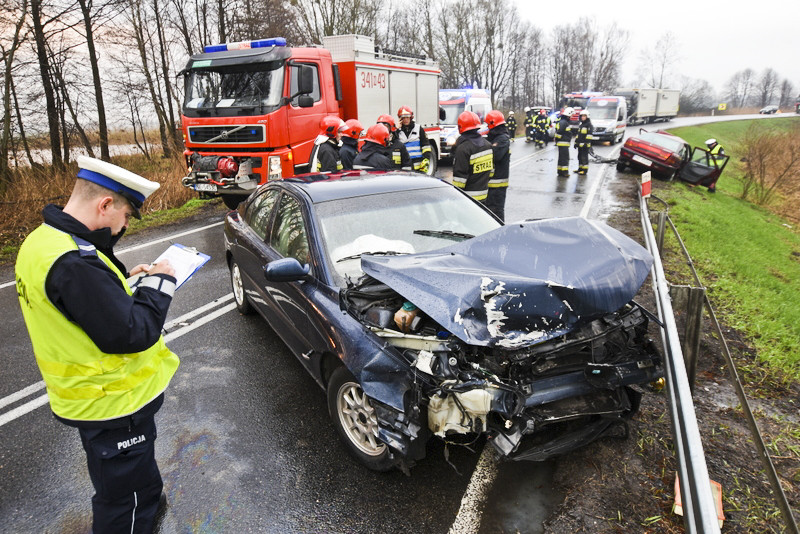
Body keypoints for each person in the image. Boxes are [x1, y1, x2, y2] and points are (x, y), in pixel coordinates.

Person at [15, 156, 179, 534]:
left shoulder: (43, 240)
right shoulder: (74, 263)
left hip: (92, 401)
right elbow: (133, 333)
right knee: (124, 503)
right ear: (104, 205)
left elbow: (82, 303)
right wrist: (160, 284)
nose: (124, 226)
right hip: (113, 404)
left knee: (131, 482)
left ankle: (149, 504)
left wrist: (125, 279)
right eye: (126, 216)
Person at [452, 111, 493, 203]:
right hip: (484, 195)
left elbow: (459, 180)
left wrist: (454, 197)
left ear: (460, 127)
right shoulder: (488, 145)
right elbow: (491, 172)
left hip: (468, 199)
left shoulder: (463, 148)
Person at [485, 110, 511, 221]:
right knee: (490, 211)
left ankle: (500, 235)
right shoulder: (495, 138)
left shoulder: (503, 139)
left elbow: (495, 155)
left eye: (488, 125)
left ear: (492, 124)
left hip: (498, 185)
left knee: (497, 213)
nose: (487, 127)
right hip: (492, 184)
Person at [396, 106, 432, 173]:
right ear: (400, 119)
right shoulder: (397, 131)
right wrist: (396, 130)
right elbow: (393, 145)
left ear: (411, 117)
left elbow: (426, 147)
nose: (406, 119)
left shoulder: (418, 128)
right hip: (404, 166)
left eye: (407, 117)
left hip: (418, 166)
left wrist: (425, 161)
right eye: (403, 118)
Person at [555, 107, 574, 177]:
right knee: (565, 158)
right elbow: (559, 132)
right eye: (571, 115)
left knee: (561, 157)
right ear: (568, 114)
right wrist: (560, 139)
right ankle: (564, 172)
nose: (572, 117)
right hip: (563, 143)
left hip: (563, 142)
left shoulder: (563, 121)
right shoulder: (564, 122)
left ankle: (560, 171)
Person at [574, 110, 594, 175]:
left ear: (587, 117)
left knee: (584, 157)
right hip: (580, 144)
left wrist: (586, 143)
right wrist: (576, 142)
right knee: (579, 156)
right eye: (582, 116)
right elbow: (578, 135)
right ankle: (580, 169)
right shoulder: (581, 125)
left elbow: (589, 135)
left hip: (585, 145)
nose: (583, 117)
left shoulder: (589, 125)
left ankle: (584, 170)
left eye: (584, 116)